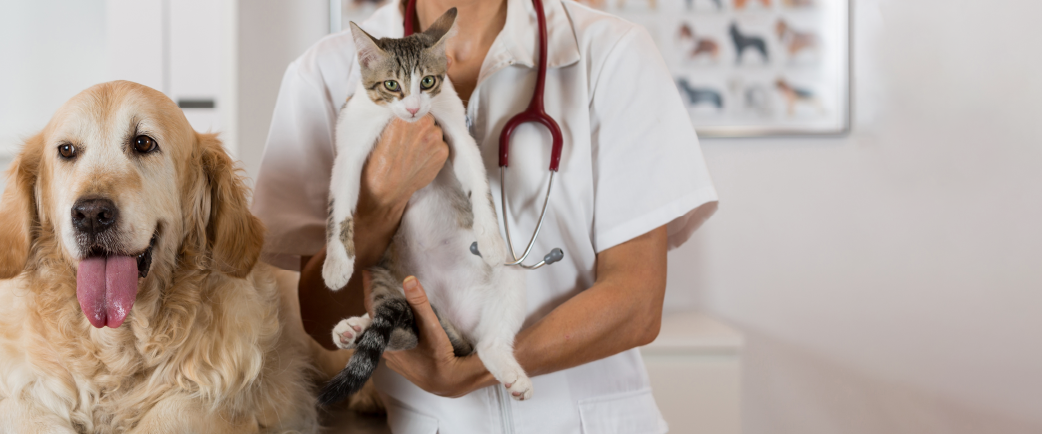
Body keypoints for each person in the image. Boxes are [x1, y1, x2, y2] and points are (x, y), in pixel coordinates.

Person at [252, 0, 719, 432]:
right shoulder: (324, 74)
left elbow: (636, 302)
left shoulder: (611, 52)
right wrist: (380, 200)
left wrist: (472, 372)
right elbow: (321, 317)